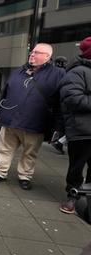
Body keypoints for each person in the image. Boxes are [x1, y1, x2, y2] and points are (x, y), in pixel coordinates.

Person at [0, 43, 65, 190]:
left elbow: (61, 102)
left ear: (47, 56)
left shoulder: (58, 74)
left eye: (37, 52)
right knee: (4, 150)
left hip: (35, 123)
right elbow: (5, 93)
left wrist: (57, 125)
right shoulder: (18, 71)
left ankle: (25, 176)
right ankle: (0, 172)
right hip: (10, 120)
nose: (32, 54)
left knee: (30, 153)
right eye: (32, 52)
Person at [58, 36, 91, 214]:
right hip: (82, 130)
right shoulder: (77, 72)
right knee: (77, 165)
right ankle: (73, 195)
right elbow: (72, 98)